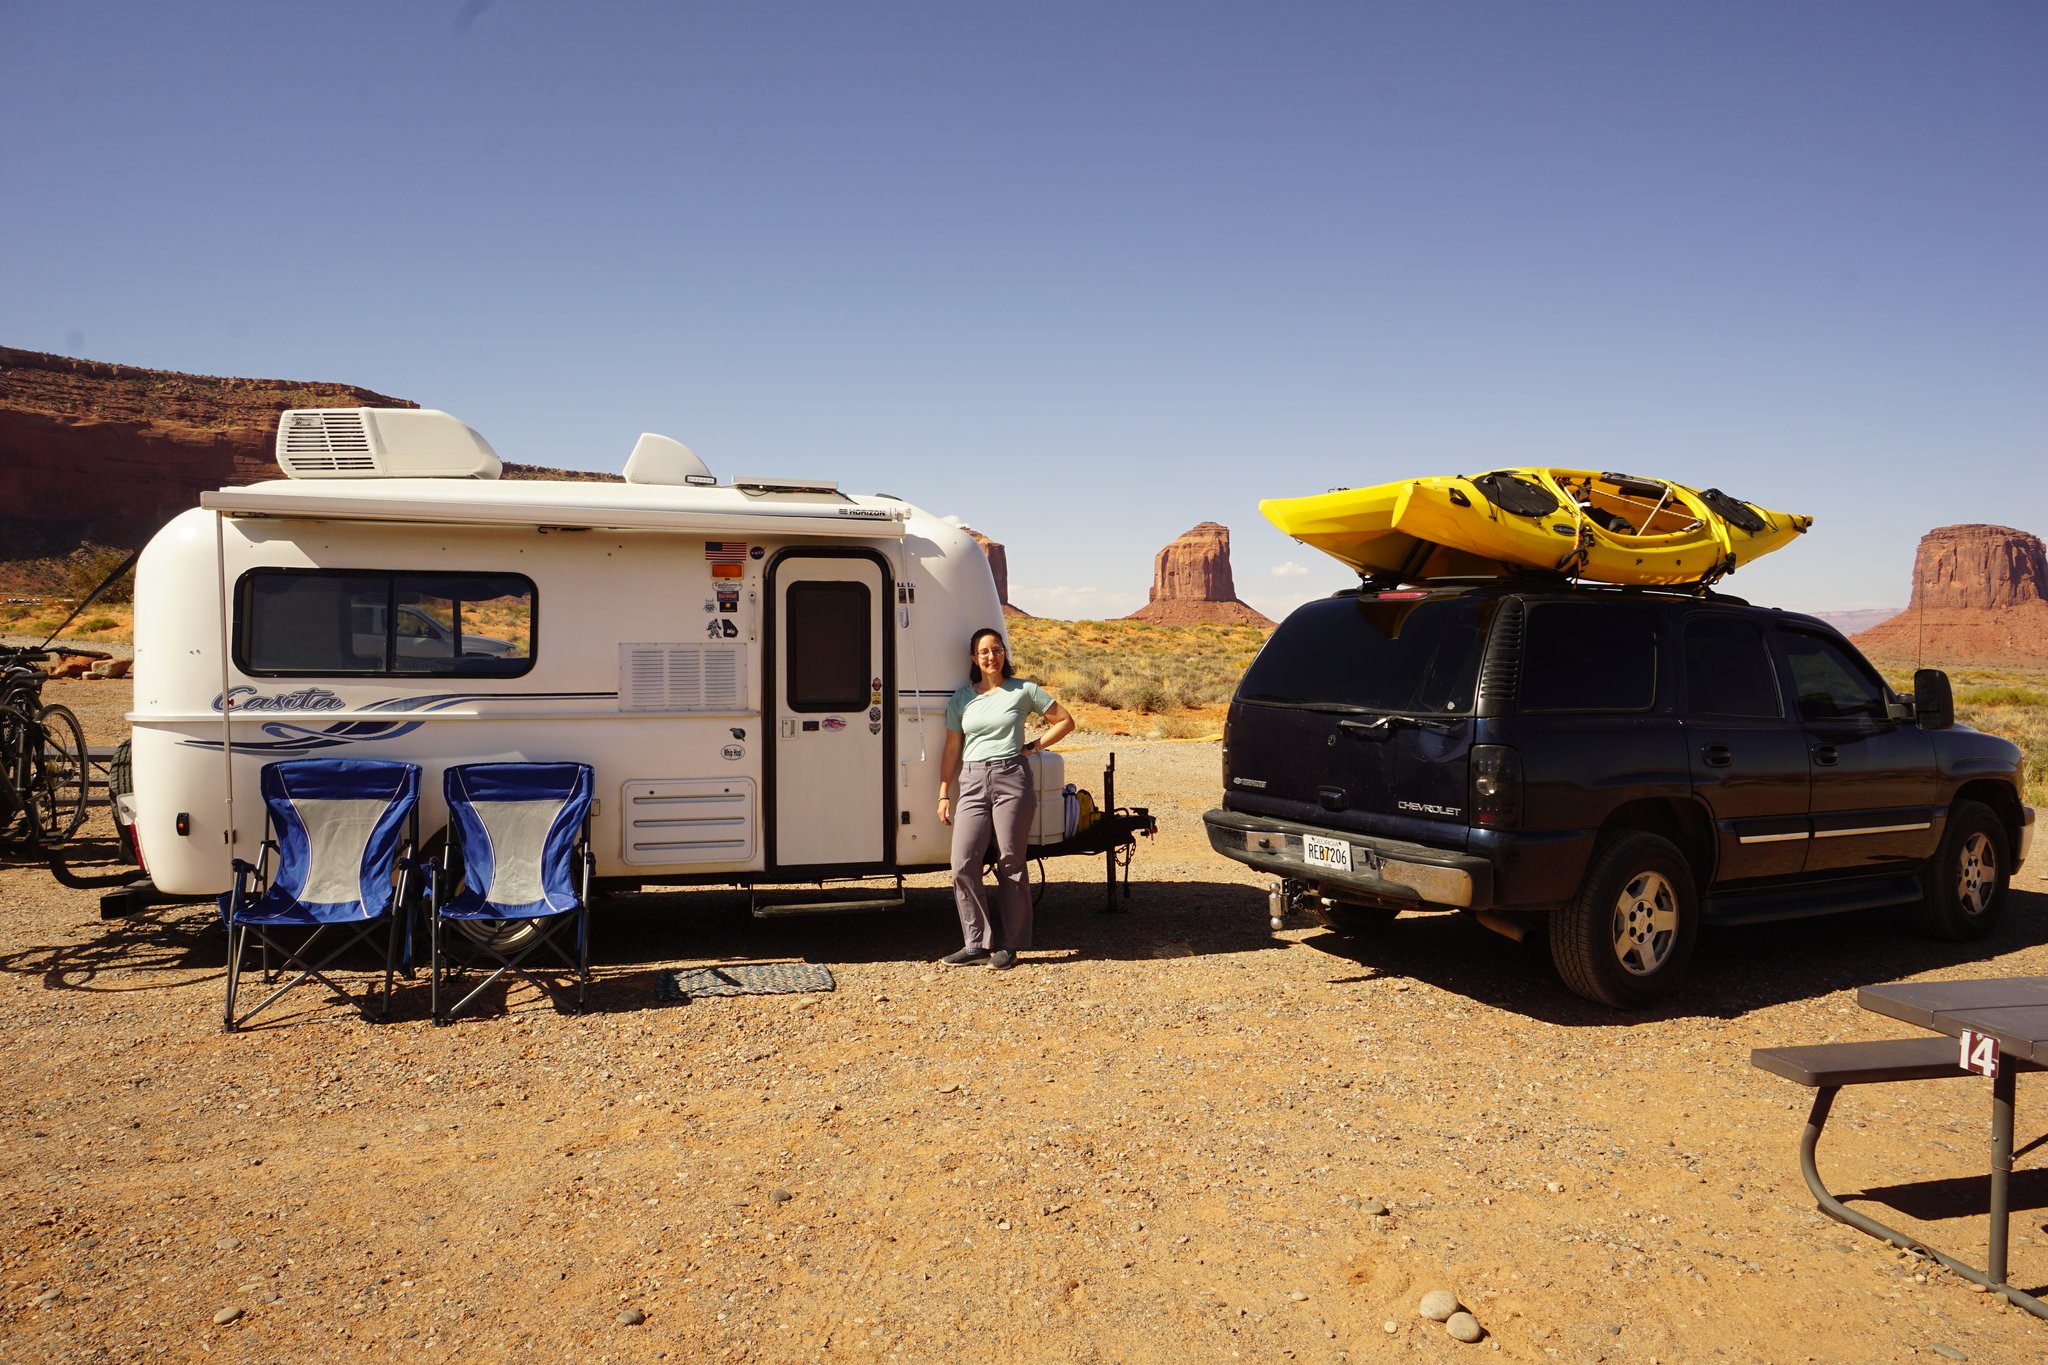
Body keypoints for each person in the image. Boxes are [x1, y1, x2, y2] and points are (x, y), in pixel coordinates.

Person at [935, 627, 1073, 970]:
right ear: (974, 659)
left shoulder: (1023, 690)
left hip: (1012, 776)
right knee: (963, 863)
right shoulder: (961, 698)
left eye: (996, 650)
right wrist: (943, 792)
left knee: (1011, 861)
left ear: (1004, 654)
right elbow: (952, 747)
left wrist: (1032, 747)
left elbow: (1065, 721)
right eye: (983, 652)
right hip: (972, 779)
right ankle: (976, 943)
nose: (991, 657)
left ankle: (1010, 946)